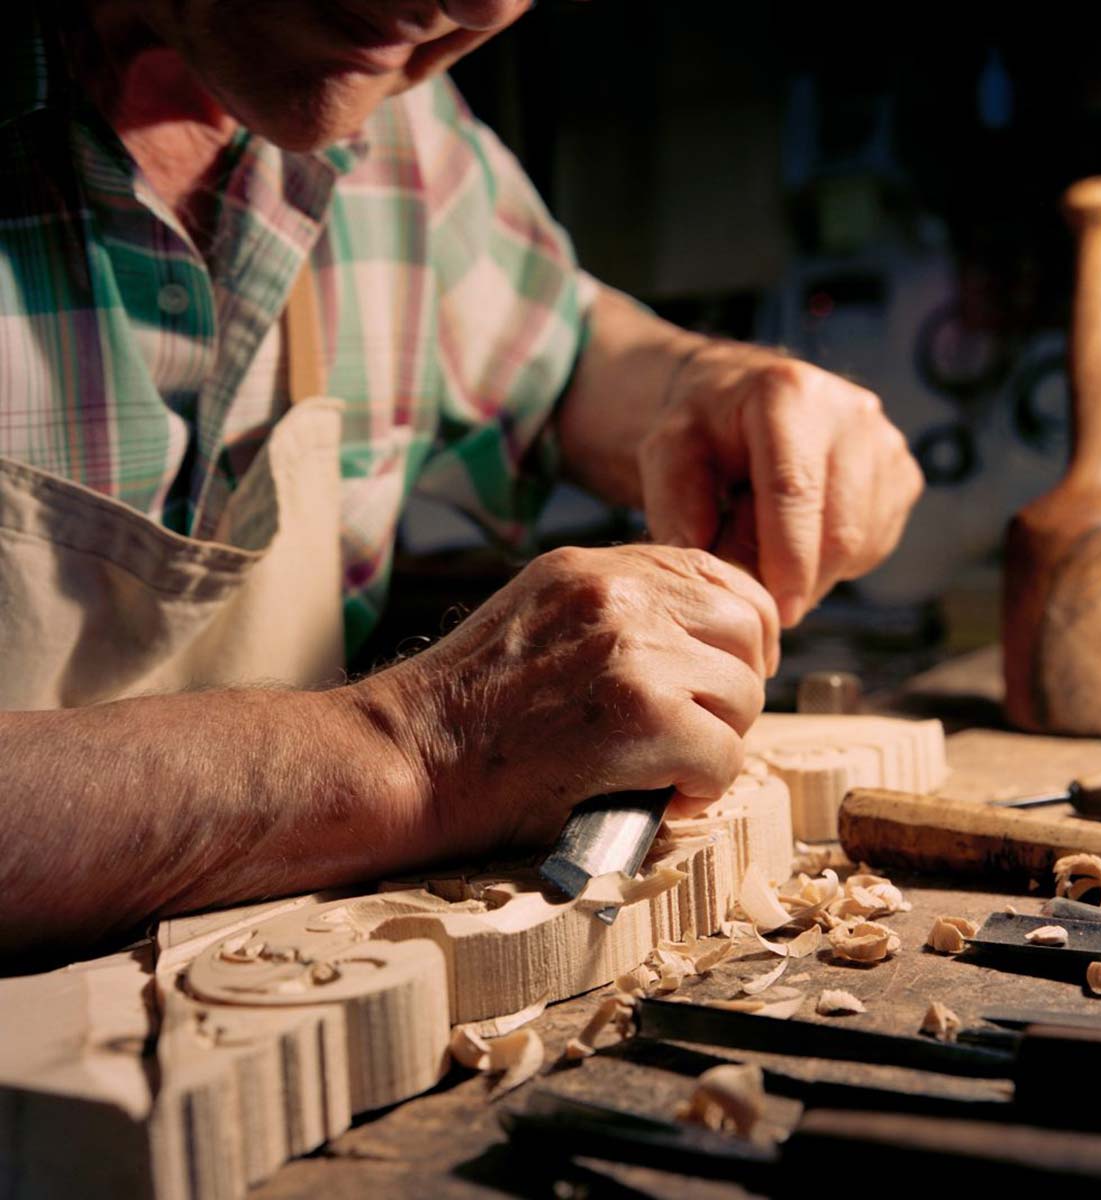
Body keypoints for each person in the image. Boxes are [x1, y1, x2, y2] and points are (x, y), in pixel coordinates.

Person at [0, 0, 922, 955]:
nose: (473, 5)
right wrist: (415, 749)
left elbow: (569, 364)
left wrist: (712, 389)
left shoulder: (396, 115)